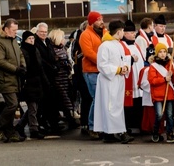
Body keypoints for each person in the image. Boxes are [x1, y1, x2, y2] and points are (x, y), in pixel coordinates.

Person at [94, 20, 134, 143]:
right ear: (118, 31)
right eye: (123, 30)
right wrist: (117, 69)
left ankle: (111, 132)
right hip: (109, 81)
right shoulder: (105, 46)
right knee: (111, 106)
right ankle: (118, 132)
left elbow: (122, 59)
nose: (123, 33)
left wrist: (125, 67)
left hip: (118, 80)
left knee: (116, 106)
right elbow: (102, 65)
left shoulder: (118, 44)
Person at [0, 18, 27, 143]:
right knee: (12, 104)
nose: (16, 33)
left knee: (14, 105)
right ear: (6, 29)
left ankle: (10, 132)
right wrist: (16, 69)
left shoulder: (13, 41)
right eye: (13, 30)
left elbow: (20, 54)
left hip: (14, 79)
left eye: (17, 30)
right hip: (4, 79)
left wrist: (22, 66)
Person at [17, 30, 49, 140]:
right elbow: (24, 67)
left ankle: (20, 125)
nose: (32, 40)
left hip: (37, 81)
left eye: (33, 38)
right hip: (29, 82)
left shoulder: (35, 50)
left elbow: (40, 67)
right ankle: (33, 129)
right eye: (29, 39)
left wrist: (45, 81)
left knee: (34, 107)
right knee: (32, 107)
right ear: (25, 40)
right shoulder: (23, 51)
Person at [80, 11, 104, 139]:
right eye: (98, 20)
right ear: (92, 22)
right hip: (91, 71)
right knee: (97, 98)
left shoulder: (104, 33)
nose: (101, 22)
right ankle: (92, 125)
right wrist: (102, 62)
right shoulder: (85, 35)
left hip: (102, 70)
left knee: (101, 99)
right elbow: (88, 53)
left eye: (102, 19)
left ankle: (100, 125)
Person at [147, 43, 174, 144]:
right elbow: (152, 81)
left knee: (169, 115)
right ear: (156, 53)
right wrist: (164, 79)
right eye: (160, 52)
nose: (163, 54)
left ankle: (170, 133)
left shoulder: (169, 65)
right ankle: (156, 132)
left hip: (168, 94)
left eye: (164, 52)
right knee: (159, 115)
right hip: (158, 95)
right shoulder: (153, 66)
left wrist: (172, 76)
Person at [47, 29, 77, 129]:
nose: (64, 39)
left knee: (67, 98)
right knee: (63, 99)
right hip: (58, 78)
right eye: (63, 37)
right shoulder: (52, 50)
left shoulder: (62, 48)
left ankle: (69, 118)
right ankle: (68, 120)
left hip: (65, 77)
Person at [34, 22, 61, 134]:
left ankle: (53, 123)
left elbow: (53, 55)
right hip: (42, 76)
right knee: (44, 102)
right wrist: (52, 66)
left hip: (52, 75)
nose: (44, 34)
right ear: (37, 32)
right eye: (41, 32)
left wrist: (56, 65)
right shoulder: (35, 43)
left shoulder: (48, 42)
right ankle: (44, 123)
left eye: (45, 32)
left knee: (52, 100)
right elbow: (40, 60)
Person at [121, 20, 144, 134]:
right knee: (128, 102)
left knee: (139, 101)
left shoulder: (136, 45)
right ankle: (128, 125)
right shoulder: (122, 45)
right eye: (131, 32)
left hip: (138, 79)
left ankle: (139, 123)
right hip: (128, 79)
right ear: (124, 34)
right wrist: (131, 59)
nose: (134, 34)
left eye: (134, 32)